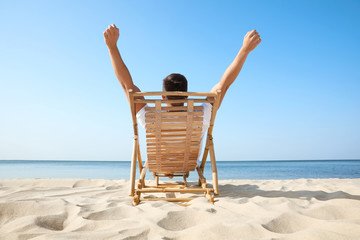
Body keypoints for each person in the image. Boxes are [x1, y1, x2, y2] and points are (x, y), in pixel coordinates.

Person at [103, 24, 261, 133]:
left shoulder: (150, 118)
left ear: (163, 97)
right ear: (186, 96)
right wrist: (245, 50)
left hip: (160, 165)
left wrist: (112, 47)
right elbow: (224, 85)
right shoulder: (201, 115)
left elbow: (126, 86)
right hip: (189, 165)